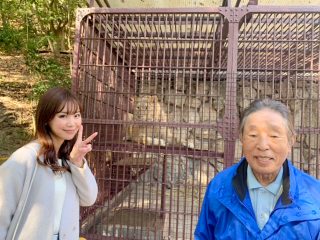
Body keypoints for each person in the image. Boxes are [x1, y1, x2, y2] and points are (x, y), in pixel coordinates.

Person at [194, 99, 320, 239]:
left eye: (274, 136)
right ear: (241, 138)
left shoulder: (314, 195)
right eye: (253, 135)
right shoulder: (219, 187)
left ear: (291, 140)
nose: (263, 145)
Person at [0, 87, 98, 240]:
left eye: (76, 115)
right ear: (47, 118)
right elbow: (2, 211)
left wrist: (77, 162)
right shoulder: (25, 158)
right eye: (63, 116)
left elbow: (89, 199)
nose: (72, 123)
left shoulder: (69, 158)